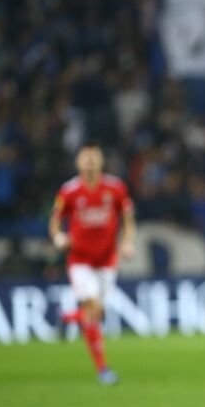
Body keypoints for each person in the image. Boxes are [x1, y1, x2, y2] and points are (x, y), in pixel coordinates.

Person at [49, 143, 135, 385]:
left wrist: (127, 242)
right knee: (94, 308)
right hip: (80, 260)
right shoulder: (69, 191)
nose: (89, 162)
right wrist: (58, 238)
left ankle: (67, 318)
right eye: (85, 158)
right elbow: (55, 221)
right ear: (78, 163)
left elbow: (128, 220)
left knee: (95, 313)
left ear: (101, 162)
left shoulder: (116, 188)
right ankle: (103, 370)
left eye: (94, 158)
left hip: (107, 260)